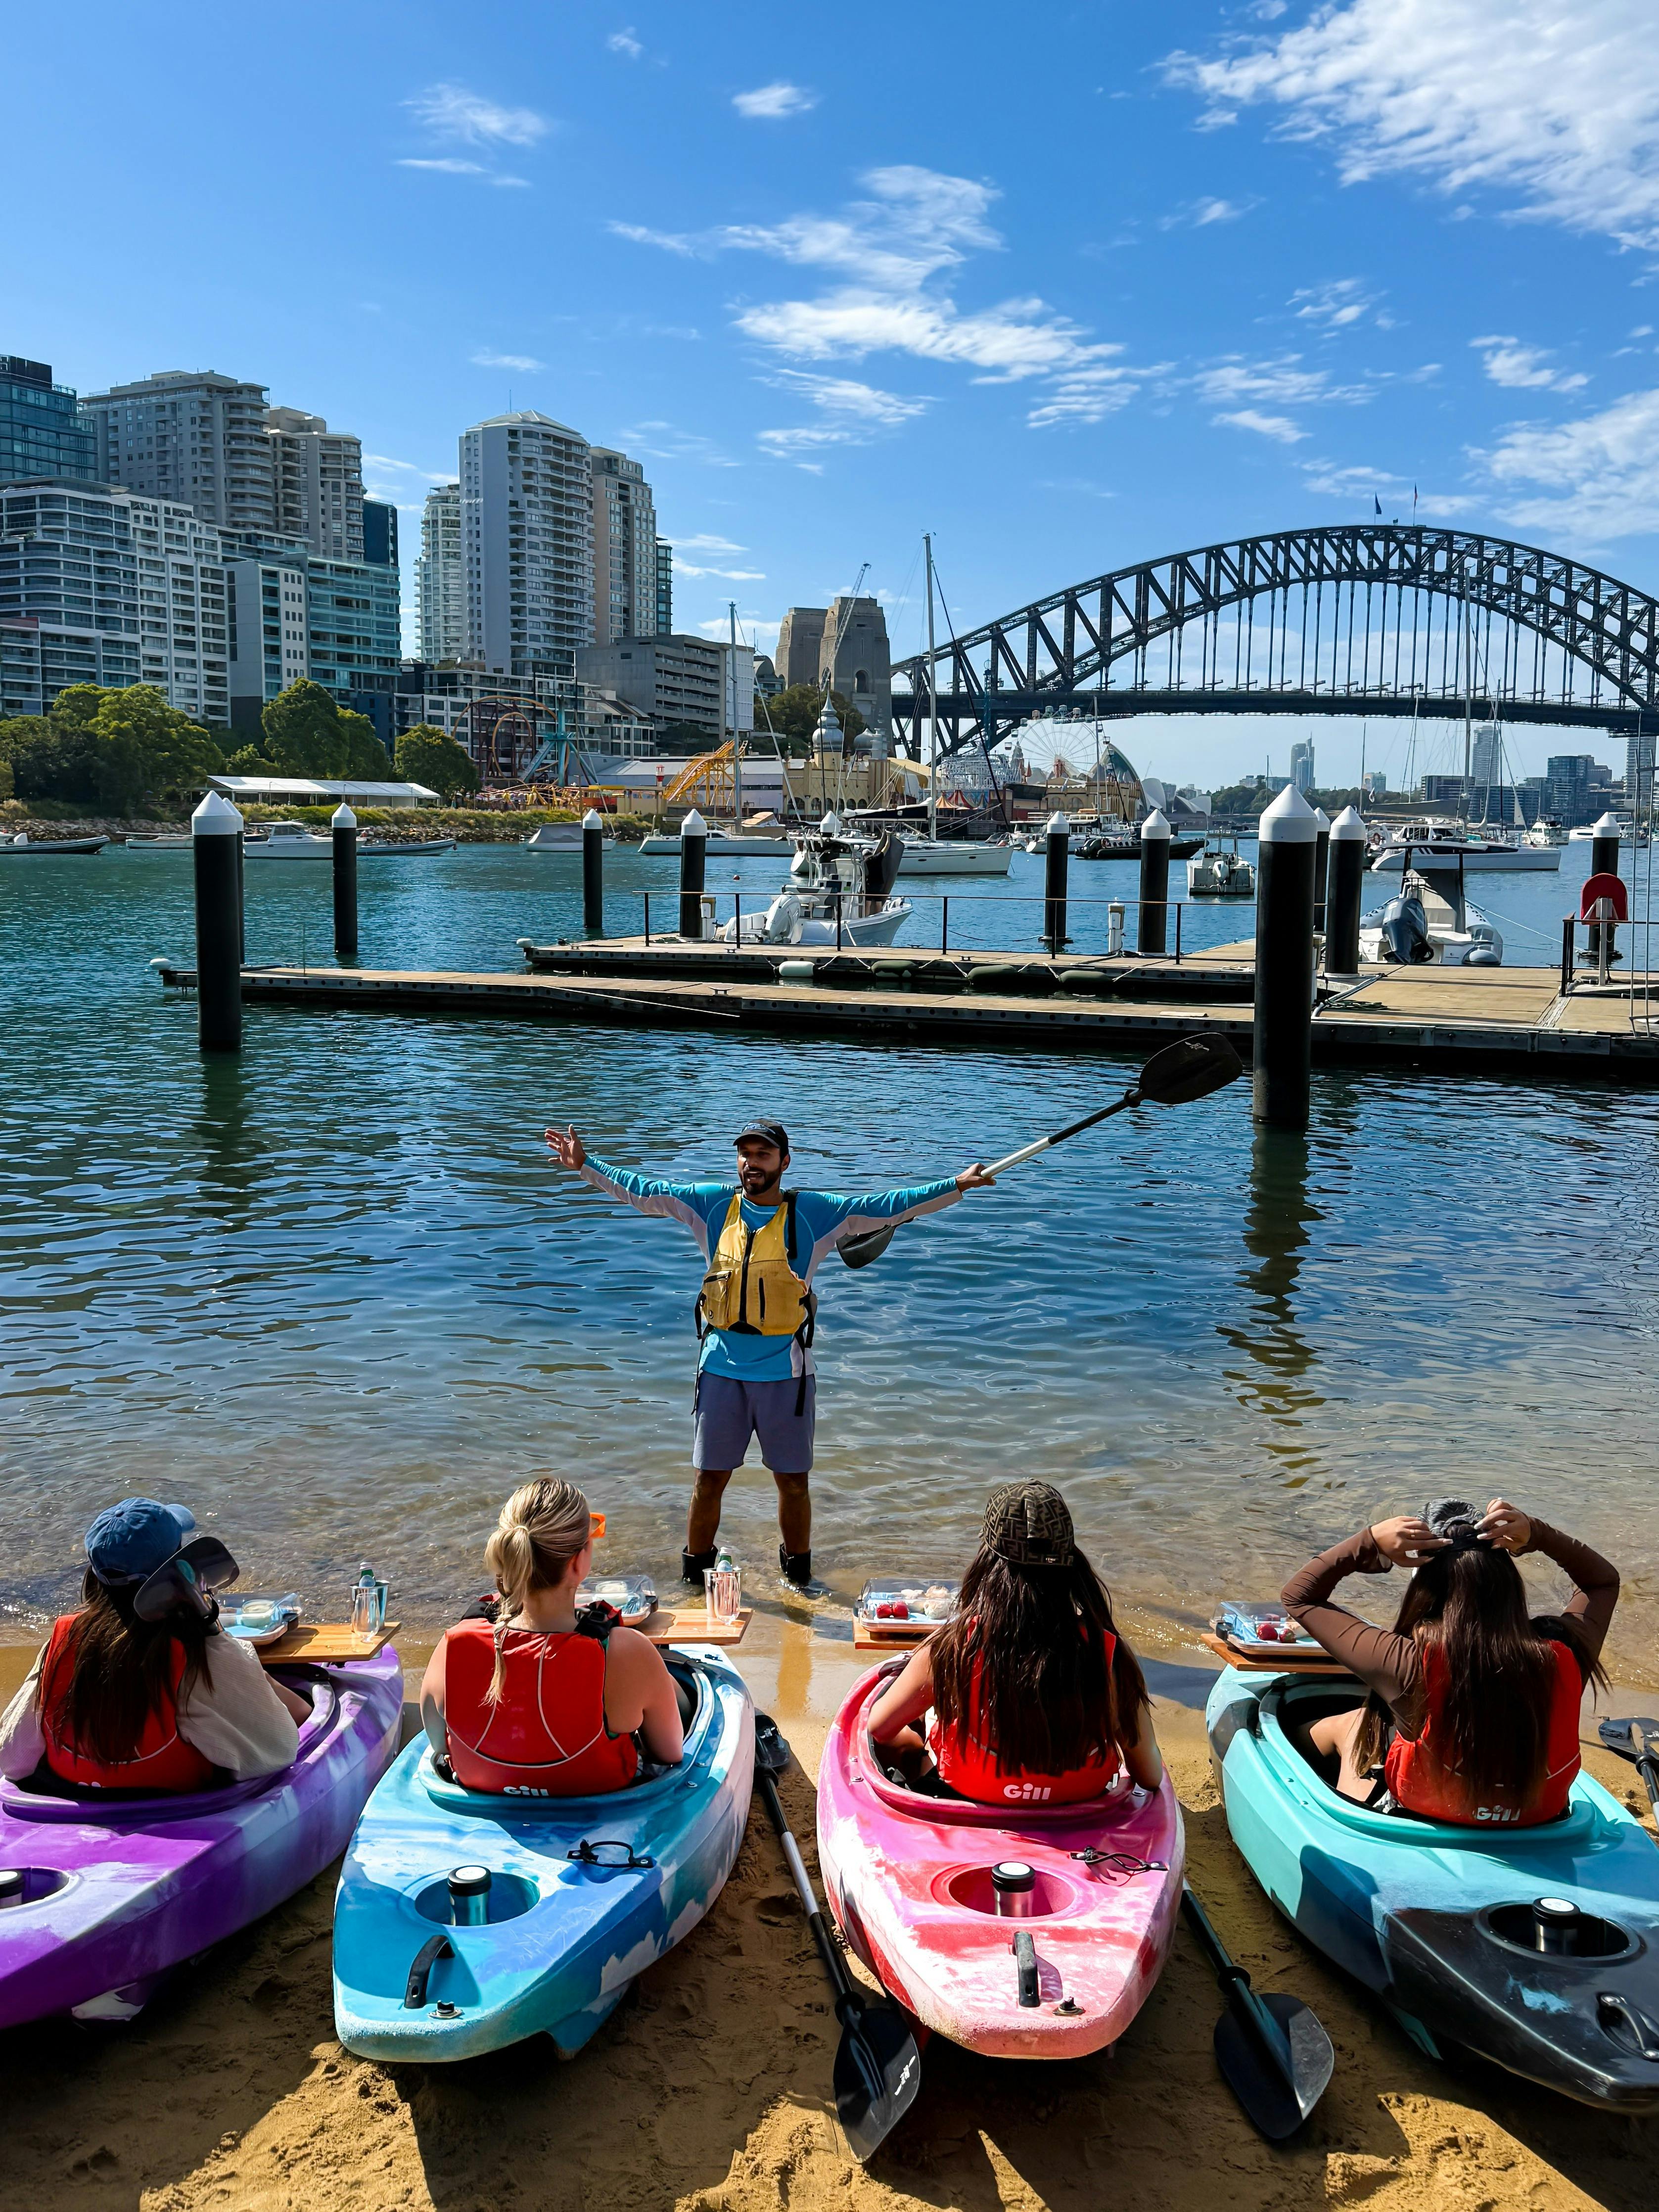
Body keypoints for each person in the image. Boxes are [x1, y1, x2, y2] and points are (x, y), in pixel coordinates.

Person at [546, 1117, 995, 1589]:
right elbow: (645, 1191)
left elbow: (885, 1206)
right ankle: (695, 1578)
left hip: (787, 1374)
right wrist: (586, 1166)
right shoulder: (712, 1205)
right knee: (708, 1480)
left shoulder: (814, 1214)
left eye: (762, 1154)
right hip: (721, 1369)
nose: (751, 1163)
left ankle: (799, 1579)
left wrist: (956, 1186)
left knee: (793, 1483)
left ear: (784, 1161)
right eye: (745, 1153)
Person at [1284, 1496, 1617, 1824]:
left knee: (1355, 1725)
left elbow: (1301, 1597)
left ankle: (1288, 1752)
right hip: (1536, 1822)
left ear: (1425, 1591)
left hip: (1424, 1820)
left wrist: (1370, 1542)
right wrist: (1538, 1535)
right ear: (1508, 1583)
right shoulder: (1566, 1652)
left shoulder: (1409, 1662)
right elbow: (1601, 1582)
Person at [867, 1481, 1164, 1804]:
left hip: (968, 1792)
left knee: (905, 1739)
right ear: (1071, 1562)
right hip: (1077, 1799)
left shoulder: (954, 1648)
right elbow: (1149, 1776)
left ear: (987, 1563)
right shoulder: (1106, 1654)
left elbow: (880, 1729)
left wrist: (917, 1741)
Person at [0, 1498, 307, 1791]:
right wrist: (246, 1661)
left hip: (82, 1799)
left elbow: (12, 1759)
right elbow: (279, 1748)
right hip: (182, 1806)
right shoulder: (204, 1655)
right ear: (181, 1570)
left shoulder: (63, 1644)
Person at [421, 1477, 684, 1794]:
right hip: (600, 1802)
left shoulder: (454, 1644)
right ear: (577, 1563)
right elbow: (670, 1753)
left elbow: (439, 1744)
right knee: (678, 1689)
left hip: (485, 1799)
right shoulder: (626, 1652)